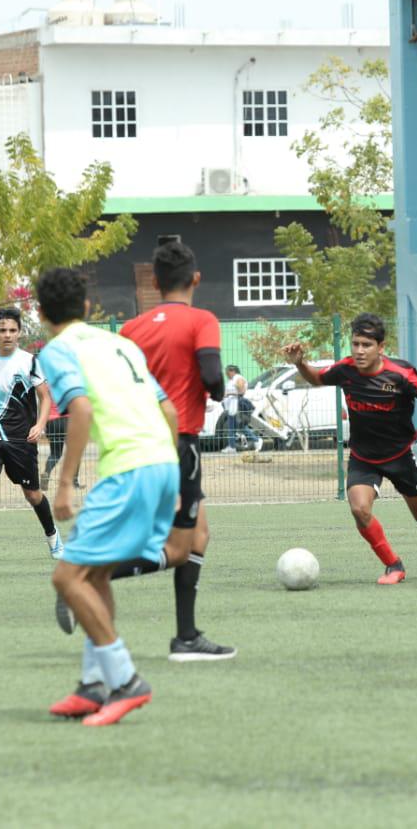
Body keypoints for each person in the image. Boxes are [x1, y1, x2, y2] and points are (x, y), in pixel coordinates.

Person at [38, 267, 181, 726]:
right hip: (161, 463)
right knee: (95, 576)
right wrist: (170, 475)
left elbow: (79, 409)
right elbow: (169, 410)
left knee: (68, 579)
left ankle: (125, 682)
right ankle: (93, 684)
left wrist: (64, 483)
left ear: (41, 314)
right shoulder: (123, 344)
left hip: (129, 470)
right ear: (85, 308)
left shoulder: (57, 351)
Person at [105, 237, 237, 661]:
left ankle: (187, 636)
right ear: (196, 278)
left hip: (137, 444)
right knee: (180, 547)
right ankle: (88, 575)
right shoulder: (202, 320)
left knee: (198, 535)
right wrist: (214, 390)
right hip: (179, 444)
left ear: (157, 283)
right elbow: (212, 371)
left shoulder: (130, 328)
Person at [282, 313, 417, 585]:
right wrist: (300, 362)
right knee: (359, 509)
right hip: (364, 457)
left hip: (400, 456)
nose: (360, 351)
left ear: (381, 347)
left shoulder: (400, 375)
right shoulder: (346, 370)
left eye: (366, 345)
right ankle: (393, 565)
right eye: (356, 344)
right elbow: (316, 378)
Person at [0, 307, 61, 564]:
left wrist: (40, 424)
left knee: (32, 495)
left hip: (21, 439)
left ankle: (53, 537)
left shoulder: (29, 361)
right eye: (2, 330)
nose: (7, 335)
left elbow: (45, 396)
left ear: (19, 333)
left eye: (12, 330)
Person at [221, 365, 261, 453]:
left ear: (232, 371)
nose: (226, 374)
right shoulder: (232, 379)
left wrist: (229, 393)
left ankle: (233, 447)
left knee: (232, 426)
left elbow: (241, 390)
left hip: (235, 405)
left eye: (227, 372)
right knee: (238, 427)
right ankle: (256, 440)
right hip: (231, 406)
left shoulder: (237, 377)